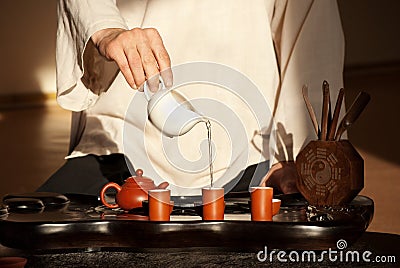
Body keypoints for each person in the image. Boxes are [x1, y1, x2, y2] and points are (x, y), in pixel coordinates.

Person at [37, 0, 345, 197]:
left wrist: (302, 155)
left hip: (247, 152)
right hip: (123, 135)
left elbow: (311, 37)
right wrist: (106, 31)